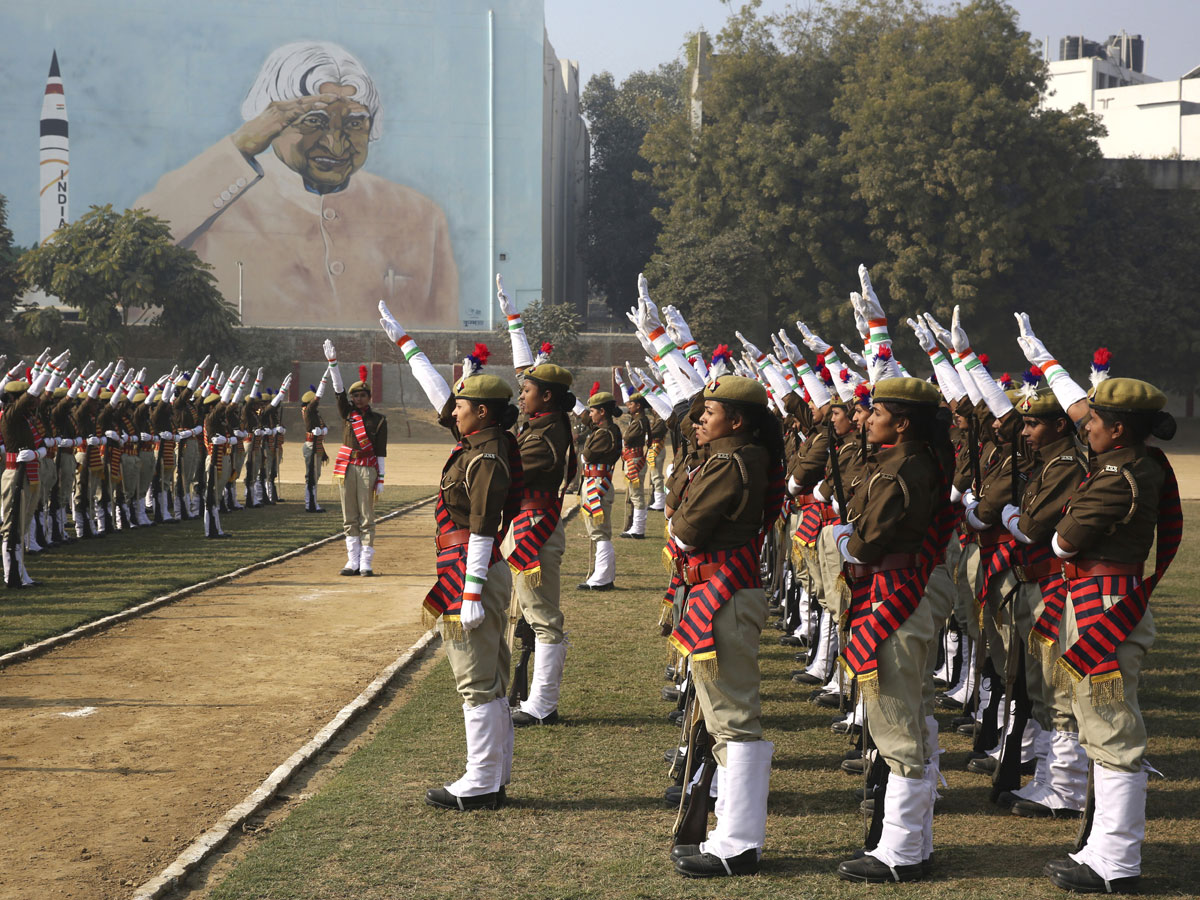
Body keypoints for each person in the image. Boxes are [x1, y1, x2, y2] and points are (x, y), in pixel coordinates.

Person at [1015, 315, 1180, 894]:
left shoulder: (1118, 476)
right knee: (1096, 725)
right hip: (1096, 597)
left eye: (1097, 422)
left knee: (1111, 729)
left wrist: (1058, 528)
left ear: (1120, 431)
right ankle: (1100, 843)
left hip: (1103, 604)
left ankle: (1116, 859)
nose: (1086, 428)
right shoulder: (1133, 461)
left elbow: (1062, 541)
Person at [133, 40, 459, 328]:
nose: (335, 144)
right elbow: (136, 240)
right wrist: (241, 145)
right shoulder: (216, 201)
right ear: (272, 122)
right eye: (314, 121)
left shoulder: (420, 216)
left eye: (354, 123)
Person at [377, 301, 523, 810]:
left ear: (481, 412)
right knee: (493, 677)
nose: (451, 412)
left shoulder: (487, 455)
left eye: (461, 407)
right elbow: (443, 395)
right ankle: (494, 776)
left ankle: (481, 782)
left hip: (472, 572)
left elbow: (483, 525)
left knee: (476, 680)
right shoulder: (482, 441)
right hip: (472, 570)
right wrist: (407, 346)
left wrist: (473, 591)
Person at [831, 376, 956, 884]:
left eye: (876, 411)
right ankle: (915, 842)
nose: (866, 417)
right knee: (912, 712)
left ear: (901, 423)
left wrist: (845, 543)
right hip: (910, 594)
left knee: (895, 721)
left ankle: (901, 850)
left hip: (891, 596)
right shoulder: (919, 463)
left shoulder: (898, 471)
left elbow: (868, 542)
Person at [666, 375, 784, 879]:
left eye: (708, 411)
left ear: (736, 420)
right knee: (721, 716)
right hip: (722, 591)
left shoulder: (733, 463)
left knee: (732, 718)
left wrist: (677, 524)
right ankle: (731, 835)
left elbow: (685, 530)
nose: (698, 419)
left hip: (724, 595)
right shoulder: (734, 457)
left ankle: (738, 842)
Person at [321, 347, 385, 576]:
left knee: (367, 515)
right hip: (346, 467)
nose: (358, 399)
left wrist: (381, 478)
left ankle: (366, 561)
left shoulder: (379, 420)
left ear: (369, 397)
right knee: (349, 514)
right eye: (355, 396)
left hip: (368, 468)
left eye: (362, 395)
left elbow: (381, 451)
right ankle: (352, 561)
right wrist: (333, 363)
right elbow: (338, 391)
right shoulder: (347, 413)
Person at [577, 385, 623, 590]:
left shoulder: (604, 433)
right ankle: (602, 575)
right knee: (598, 531)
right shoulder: (606, 429)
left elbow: (586, 455)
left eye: (593, 411)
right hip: (596, 481)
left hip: (597, 484)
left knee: (599, 532)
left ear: (602, 412)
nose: (591, 415)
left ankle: (602, 578)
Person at [301, 374, 331, 513]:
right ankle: (310, 504)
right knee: (311, 476)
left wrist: (323, 430)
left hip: (317, 446)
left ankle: (313, 501)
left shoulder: (315, 414)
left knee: (316, 475)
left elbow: (323, 427)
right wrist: (323, 381)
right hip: (311, 446)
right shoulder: (308, 411)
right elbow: (315, 401)